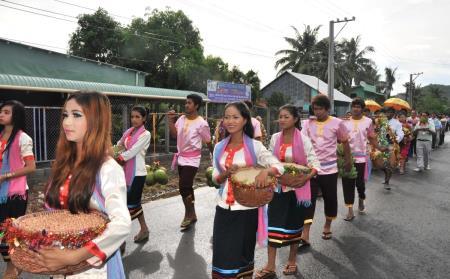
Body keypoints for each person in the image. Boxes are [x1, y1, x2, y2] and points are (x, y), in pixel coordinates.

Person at [34, 92, 131, 278]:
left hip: (90, 270)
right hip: (61, 266)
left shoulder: (107, 168)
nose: (66, 123)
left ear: (96, 120)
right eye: (65, 115)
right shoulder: (63, 164)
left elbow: (122, 224)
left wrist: (73, 257)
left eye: (76, 115)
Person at [211, 102, 284, 279]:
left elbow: (278, 167)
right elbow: (215, 178)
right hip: (223, 209)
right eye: (227, 117)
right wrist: (226, 173)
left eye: (235, 117)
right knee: (221, 258)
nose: (230, 121)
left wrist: (266, 171)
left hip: (246, 211)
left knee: (243, 258)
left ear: (245, 120)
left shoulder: (255, 146)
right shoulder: (219, 146)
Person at [255, 105, 319, 278]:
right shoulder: (276, 138)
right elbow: (269, 159)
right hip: (277, 189)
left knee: (294, 226)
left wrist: (304, 178)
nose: (282, 120)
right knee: (273, 226)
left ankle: (292, 261)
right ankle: (270, 266)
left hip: (297, 190)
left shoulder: (303, 140)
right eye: (280, 117)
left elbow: (314, 164)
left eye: (286, 117)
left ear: (295, 119)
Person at [301, 95, 351, 243]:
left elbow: (345, 142)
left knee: (330, 199)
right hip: (311, 169)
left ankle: (327, 225)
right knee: (308, 201)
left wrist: (348, 160)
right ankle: (306, 233)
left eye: (320, 109)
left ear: (327, 109)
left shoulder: (337, 123)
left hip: (330, 169)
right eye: (315, 109)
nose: (317, 112)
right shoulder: (307, 124)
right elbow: (302, 143)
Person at [0, 100, 36, 279]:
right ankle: (12, 264)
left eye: (6, 112)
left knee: (10, 232)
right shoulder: (0, 136)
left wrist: (5, 176)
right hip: (1, 194)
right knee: (2, 232)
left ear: (16, 116)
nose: (1, 114)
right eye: (1, 111)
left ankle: (13, 267)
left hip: (16, 194)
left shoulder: (23, 138)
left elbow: (31, 167)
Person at [168, 94, 213, 231]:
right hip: (181, 157)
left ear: (196, 106)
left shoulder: (202, 123)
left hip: (193, 159)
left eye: (189, 103)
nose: (186, 105)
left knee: (183, 186)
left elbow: (208, 141)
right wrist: (170, 121)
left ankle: (188, 214)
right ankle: (192, 213)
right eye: (185, 103)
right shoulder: (181, 119)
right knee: (187, 188)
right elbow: (175, 135)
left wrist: (215, 156)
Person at [342, 98, 385, 221]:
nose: (356, 108)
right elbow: (339, 137)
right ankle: (350, 210)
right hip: (346, 157)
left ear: (362, 109)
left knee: (360, 184)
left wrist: (380, 148)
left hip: (361, 158)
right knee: (347, 184)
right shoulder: (344, 122)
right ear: (351, 108)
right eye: (354, 106)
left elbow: (371, 138)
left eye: (358, 106)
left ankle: (361, 198)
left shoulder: (368, 121)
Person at [116, 106, 151, 243]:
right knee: (133, 204)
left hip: (137, 174)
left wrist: (117, 158)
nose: (134, 119)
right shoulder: (128, 132)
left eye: (137, 117)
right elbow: (119, 145)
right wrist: (111, 151)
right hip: (125, 172)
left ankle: (120, 239)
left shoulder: (145, 134)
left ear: (143, 119)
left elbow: (132, 152)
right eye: (132, 117)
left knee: (129, 206)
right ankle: (144, 229)